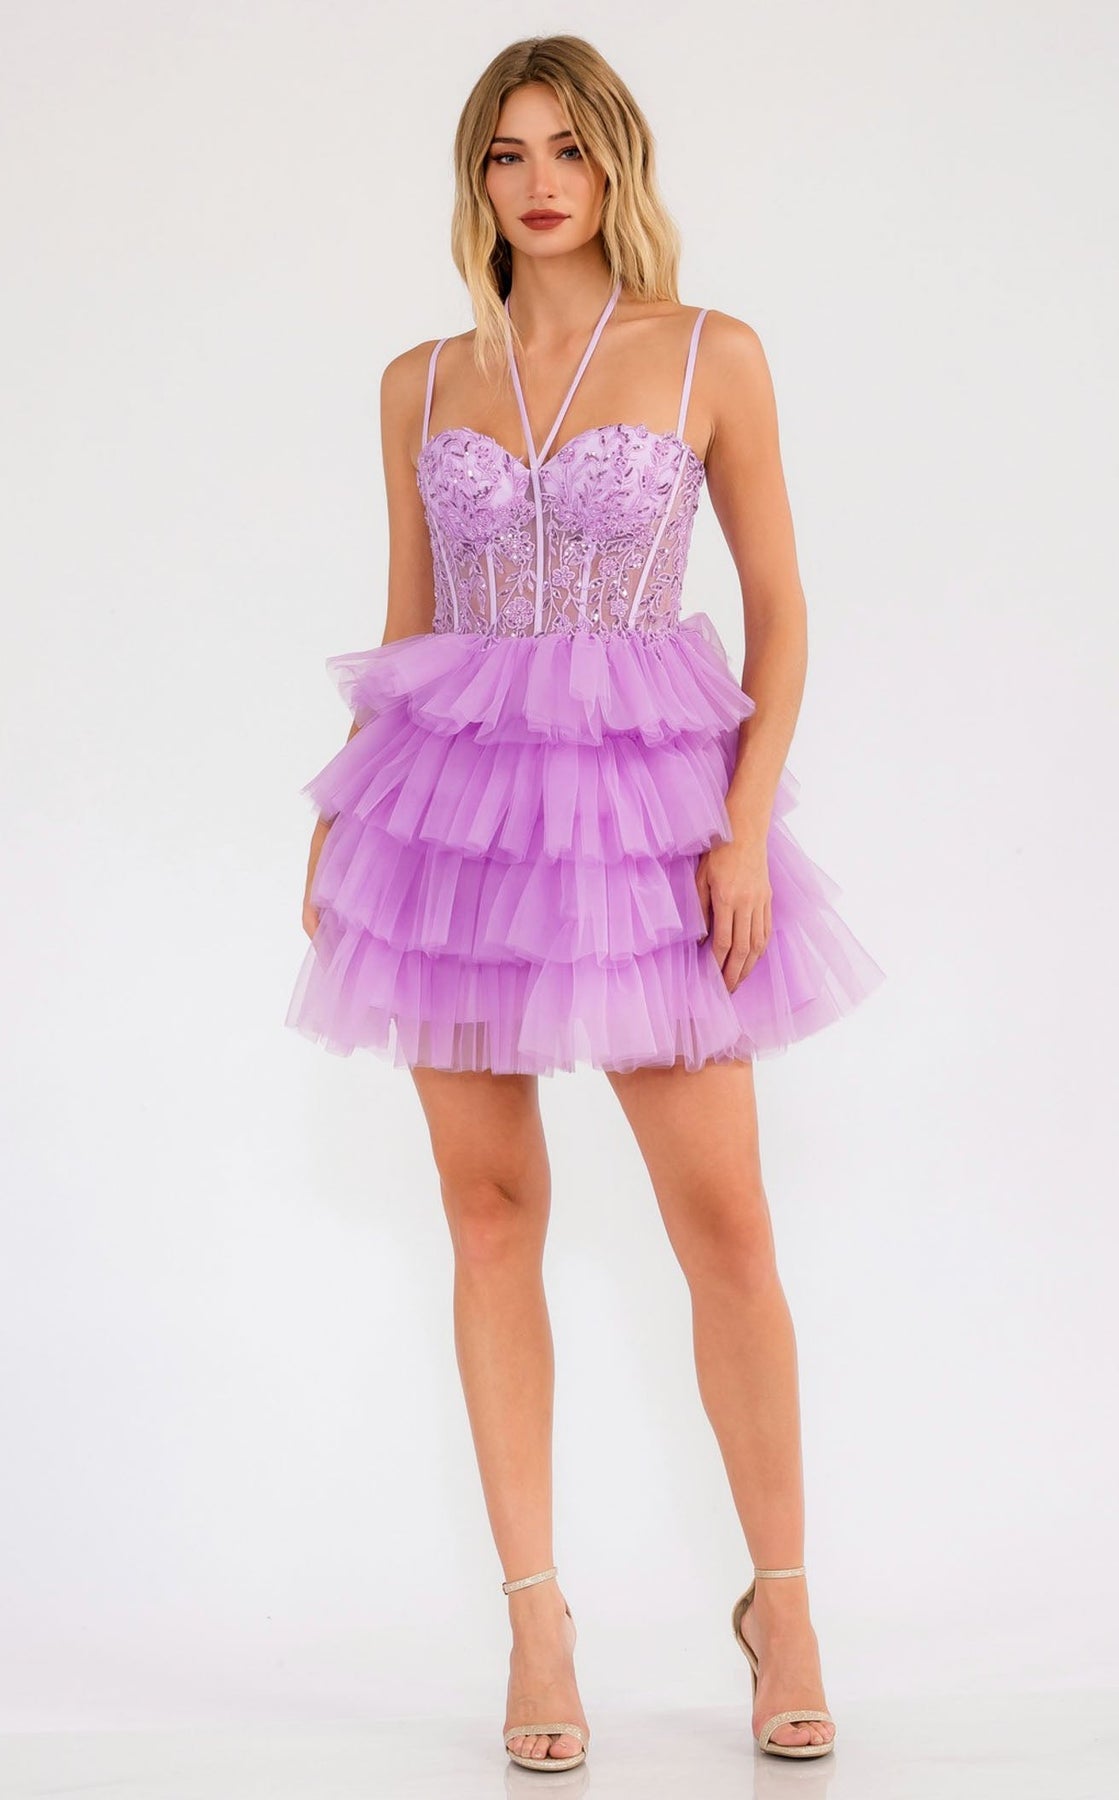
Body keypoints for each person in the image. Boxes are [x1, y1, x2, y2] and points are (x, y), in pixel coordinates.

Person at [286, 33, 885, 1770]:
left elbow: (781, 606)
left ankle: (785, 1604)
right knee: (487, 1213)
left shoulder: (708, 351)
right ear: (475, 181)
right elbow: (407, 623)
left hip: (654, 821)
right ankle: (537, 1623)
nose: (538, 181)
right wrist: (341, 811)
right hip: (453, 823)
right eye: (505, 152)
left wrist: (745, 828)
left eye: (567, 147)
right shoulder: (420, 382)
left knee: (726, 1226)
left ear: (617, 162)